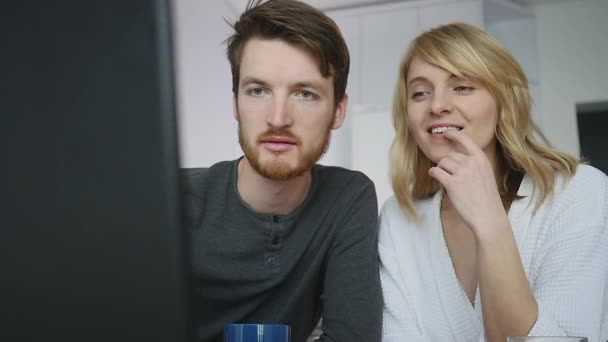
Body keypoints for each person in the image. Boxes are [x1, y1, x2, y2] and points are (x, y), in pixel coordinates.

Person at [379, 22, 608, 342]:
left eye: (462, 87)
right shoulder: (398, 219)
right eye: (420, 92)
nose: (437, 105)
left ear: (503, 99)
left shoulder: (578, 192)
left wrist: (491, 227)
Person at [181, 1, 382, 341]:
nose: (277, 118)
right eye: (257, 91)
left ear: (338, 111)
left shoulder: (347, 196)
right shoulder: (176, 200)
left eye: (304, 94)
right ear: (235, 104)